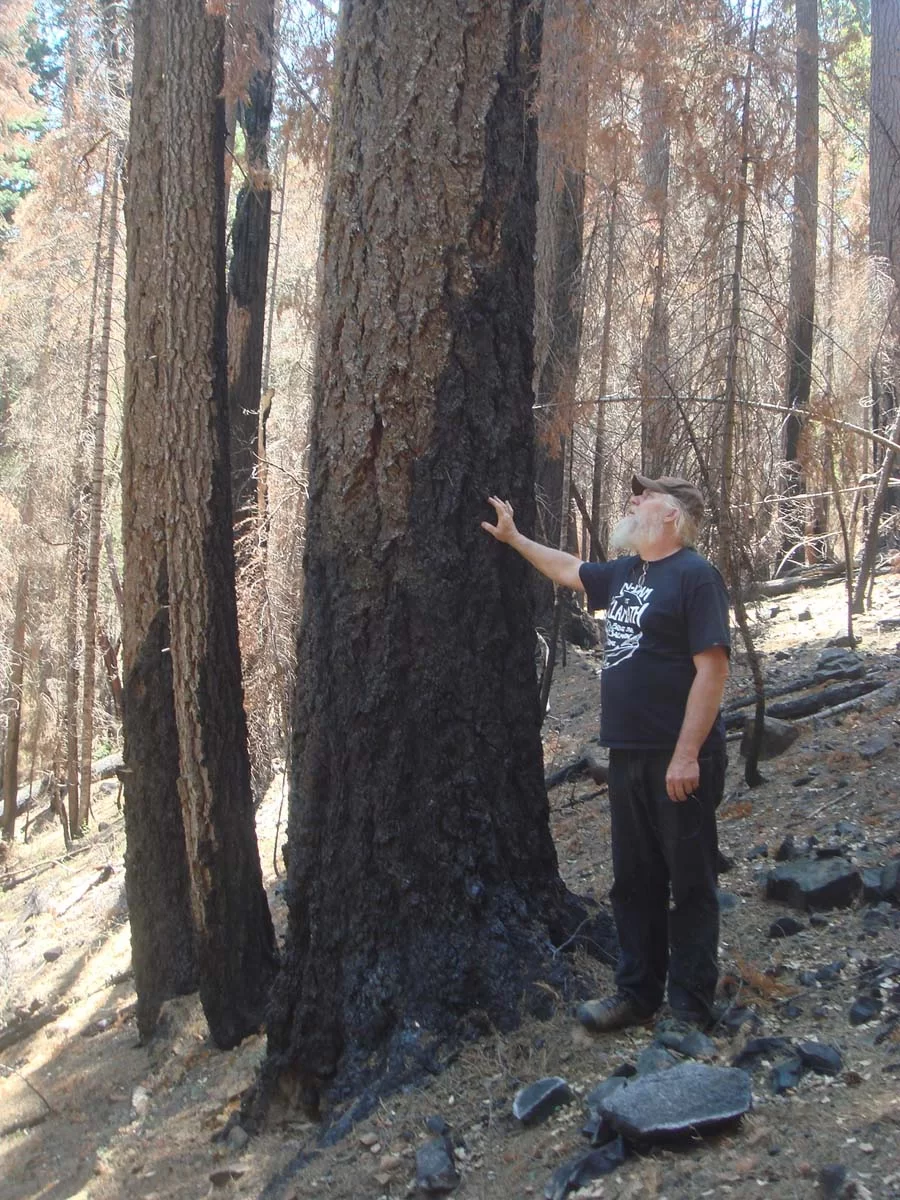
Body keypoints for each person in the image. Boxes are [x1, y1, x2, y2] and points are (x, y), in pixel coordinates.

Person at [481, 474, 731, 1031]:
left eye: (646, 496)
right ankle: (637, 996)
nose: (634, 501)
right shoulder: (627, 573)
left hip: (679, 758)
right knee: (634, 882)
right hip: (628, 755)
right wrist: (516, 539)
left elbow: (712, 669)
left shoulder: (696, 576)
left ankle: (691, 1009)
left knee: (689, 884)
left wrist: (687, 754)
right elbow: (569, 568)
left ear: (673, 515)